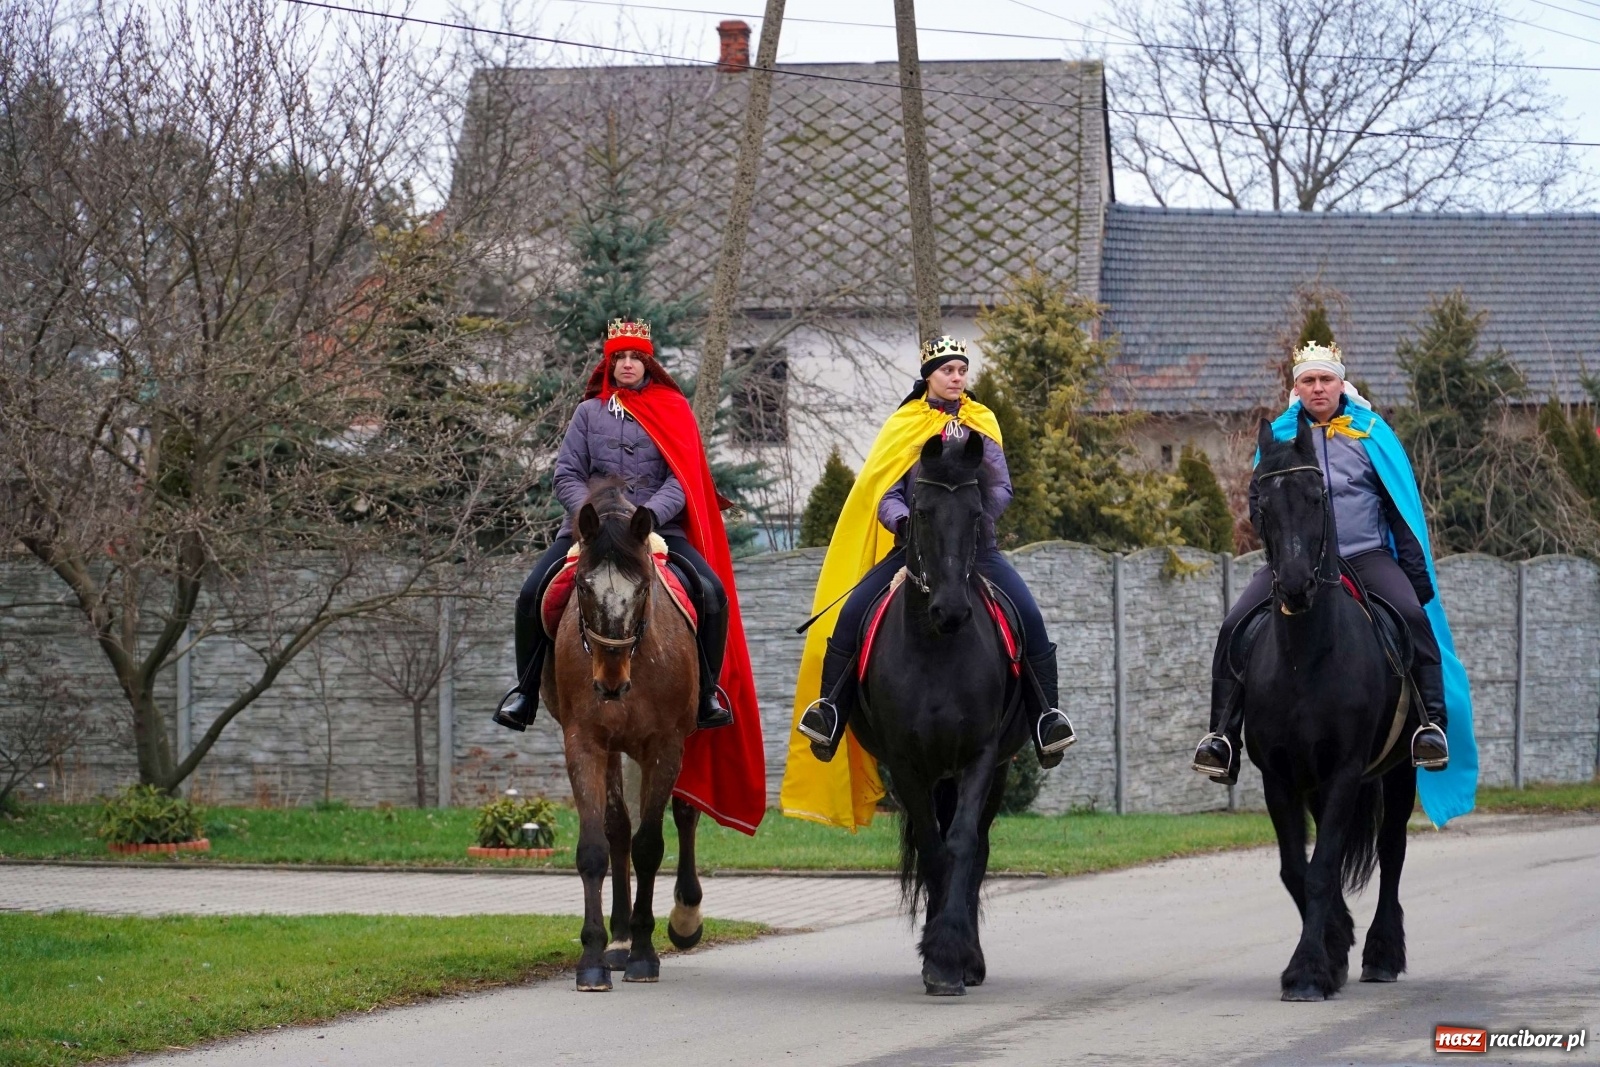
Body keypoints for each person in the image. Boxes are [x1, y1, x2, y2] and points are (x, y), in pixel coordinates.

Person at [780, 336, 1077, 829]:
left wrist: (973, 515)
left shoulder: (983, 422)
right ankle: (830, 712)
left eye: (962, 369)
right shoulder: (905, 426)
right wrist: (905, 523)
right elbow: (884, 491)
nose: (957, 377)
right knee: (852, 613)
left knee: (1029, 617)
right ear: (929, 376)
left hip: (978, 549)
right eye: (948, 370)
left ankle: (1047, 718)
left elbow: (1001, 486)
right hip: (914, 551)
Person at [1192, 341, 1469, 798]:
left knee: (1413, 619)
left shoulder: (1372, 434)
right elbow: (1259, 508)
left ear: (1341, 383)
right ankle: (1222, 737)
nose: (1318, 388)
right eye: (1308, 381)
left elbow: (1400, 508)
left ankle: (1430, 727)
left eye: (1326, 379)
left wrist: (1416, 580)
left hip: (1366, 556)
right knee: (1234, 623)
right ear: (1296, 388)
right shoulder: (1278, 439)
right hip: (1297, 565)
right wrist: (1283, 554)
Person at [493, 319, 737, 733]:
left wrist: (650, 516)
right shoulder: (587, 414)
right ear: (609, 363)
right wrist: (594, 516)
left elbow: (684, 477)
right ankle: (525, 691)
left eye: (635, 357)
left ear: (648, 363)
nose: (627, 364)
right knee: (532, 592)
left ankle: (707, 693)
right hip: (590, 531)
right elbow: (566, 475)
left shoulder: (675, 411)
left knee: (711, 592)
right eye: (619, 357)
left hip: (656, 529)